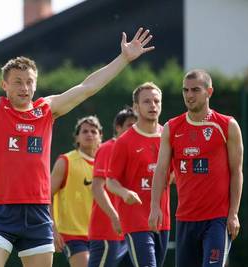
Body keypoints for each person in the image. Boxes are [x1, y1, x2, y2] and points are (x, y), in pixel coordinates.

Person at [0, 8, 155, 267]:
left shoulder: (46, 110)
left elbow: (87, 87)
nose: (24, 87)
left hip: (37, 213)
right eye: (17, 82)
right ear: (5, 85)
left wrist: (123, 59)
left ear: (35, 84)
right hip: (1, 211)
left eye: (29, 81)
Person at [148, 69, 244, 267]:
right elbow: (161, 170)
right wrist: (154, 206)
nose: (189, 95)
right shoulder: (171, 127)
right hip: (185, 219)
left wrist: (233, 213)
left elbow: (236, 172)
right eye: (185, 90)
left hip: (217, 220)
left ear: (209, 92)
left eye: (195, 90)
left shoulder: (227, 125)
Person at [106, 82, 170, 267]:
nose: (153, 106)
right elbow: (111, 182)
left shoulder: (168, 137)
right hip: (135, 221)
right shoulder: (124, 141)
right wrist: (125, 193)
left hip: (162, 220)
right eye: (147, 101)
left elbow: (173, 175)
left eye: (157, 101)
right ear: (136, 107)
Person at [88, 107, 137, 267]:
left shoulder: (135, 150)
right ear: (118, 127)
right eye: (130, 125)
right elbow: (97, 187)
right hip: (107, 231)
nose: (134, 129)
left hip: (129, 231)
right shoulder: (109, 147)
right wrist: (115, 218)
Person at [51, 116, 103, 267]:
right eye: (84, 131)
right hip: (72, 234)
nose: (89, 134)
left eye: (94, 131)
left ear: (101, 137)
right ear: (77, 138)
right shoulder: (65, 161)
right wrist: (52, 230)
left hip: (102, 235)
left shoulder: (107, 162)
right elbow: (46, 196)